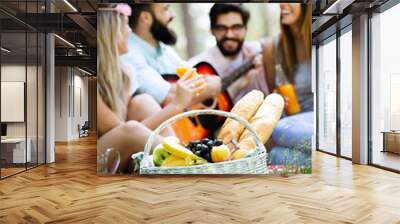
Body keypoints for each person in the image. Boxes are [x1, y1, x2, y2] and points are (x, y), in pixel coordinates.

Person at [97, 3, 205, 173]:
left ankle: (175, 163)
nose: (130, 31)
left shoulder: (124, 73)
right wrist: (175, 105)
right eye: (125, 25)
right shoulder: (90, 79)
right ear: (110, 33)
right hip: (96, 157)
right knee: (131, 128)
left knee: (143, 101)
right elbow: (126, 133)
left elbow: (136, 132)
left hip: (120, 148)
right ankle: (194, 163)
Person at [121, 3, 221, 111]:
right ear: (146, 17)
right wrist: (210, 86)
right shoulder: (128, 52)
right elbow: (168, 97)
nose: (172, 15)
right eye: (166, 9)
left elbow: (191, 75)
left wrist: (206, 83)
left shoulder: (162, 47)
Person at [262, 3, 313, 166]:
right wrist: (279, 101)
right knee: (276, 155)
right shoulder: (272, 48)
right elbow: (273, 93)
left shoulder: (323, 36)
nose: (282, 4)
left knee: (280, 128)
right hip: (292, 121)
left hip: (318, 119)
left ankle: (331, 147)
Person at [189, 3, 269, 104]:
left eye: (236, 27)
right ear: (212, 30)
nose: (229, 34)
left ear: (245, 29)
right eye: (222, 28)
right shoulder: (198, 66)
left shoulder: (257, 50)